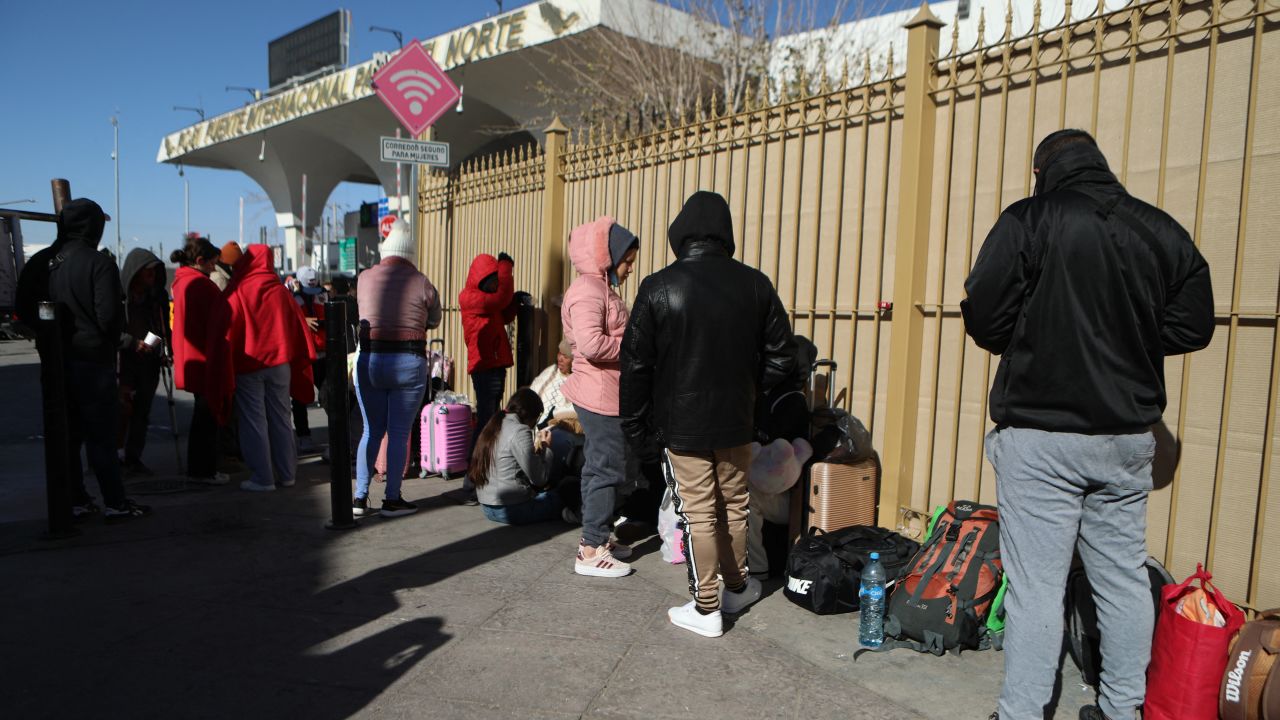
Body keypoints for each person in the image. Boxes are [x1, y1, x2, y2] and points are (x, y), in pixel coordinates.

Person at [961, 130, 1214, 720]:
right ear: (1098, 166)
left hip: (1041, 438)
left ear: (1043, 171)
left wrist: (1032, 332)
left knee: (1038, 589)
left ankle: (1023, 712)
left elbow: (985, 314)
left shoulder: (1030, 220)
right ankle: (1123, 710)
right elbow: (1193, 324)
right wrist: (1133, 335)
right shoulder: (1158, 230)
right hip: (1125, 438)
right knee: (1122, 580)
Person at [620, 191, 796, 637]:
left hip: (683, 425)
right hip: (736, 420)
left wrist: (636, 425)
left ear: (680, 231)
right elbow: (783, 356)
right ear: (726, 232)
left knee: (698, 513)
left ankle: (705, 608)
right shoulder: (755, 284)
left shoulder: (659, 286)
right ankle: (736, 586)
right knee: (735, 506)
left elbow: (636, 365)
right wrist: (750, 391)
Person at [45, 198, 152, 522]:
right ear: (94, 226)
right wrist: (124, 338)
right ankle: (115, 502)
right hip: (95, 361)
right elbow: (109, 320)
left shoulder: (53, 263)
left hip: (64, 359)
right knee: (102, 437)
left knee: (72, 436)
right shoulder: (99, 264)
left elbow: (42, 310)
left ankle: (77, 498)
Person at [561, 216, 641, 578]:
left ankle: (598, 536)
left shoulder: (599, 289)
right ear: (608, 256)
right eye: (626, 262)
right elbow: (592, 344)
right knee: (606, 468)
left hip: (605, 392)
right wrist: (634, 346)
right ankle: (592, 547)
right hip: (598, 394)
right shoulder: (587, 292)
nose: (628, 270)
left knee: (606, 467)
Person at [350, 219, 442, 518]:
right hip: (408, 362)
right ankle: (392, 499)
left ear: (384, 250)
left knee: (371, 431)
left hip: (371, 361)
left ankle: (359, 498)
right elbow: (434, 319)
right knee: (399, 433)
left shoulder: (364, 278)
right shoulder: (422, 282)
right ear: (410, 254)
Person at [15, 214, 96, 519]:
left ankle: (71, 494)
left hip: (55, 354)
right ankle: (75, 495)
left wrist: (44, 331)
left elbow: (24, 308)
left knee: (63, 429)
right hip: (82, 356)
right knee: (80, 430)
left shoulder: (42, 261)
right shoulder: (88, 261)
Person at [225, 244, 316, 491]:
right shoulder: (280, 290)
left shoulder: (240, 288)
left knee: (254, 420)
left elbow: (229, 327)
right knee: (281, 418)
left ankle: (263, 478)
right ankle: (287, 474)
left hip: (249, 364)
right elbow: (296, 325)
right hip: (280, 364)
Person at [169, 237, 233, 485]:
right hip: (207, 359)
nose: (214, 269)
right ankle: (203, 470)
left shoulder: (181, 282)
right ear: (200, 261)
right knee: (207, 419)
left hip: (190, 358)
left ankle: (198, 468)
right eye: (212, 264)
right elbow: (223, 322)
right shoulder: (203, 286)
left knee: (201, 417)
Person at [471, 388, 568, 525]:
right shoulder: (520, 431)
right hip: (511, 509)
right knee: (566, 491)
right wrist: (546, 447)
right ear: (531, 415)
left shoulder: (495, 423)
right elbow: (539, 479)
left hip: (487, 507)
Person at [117, 248, 169, 476]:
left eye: (154, 274)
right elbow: (109, 329)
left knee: (142, 412)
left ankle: (133, 457)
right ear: (136, 273)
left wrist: (151, 343)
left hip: (148, 361)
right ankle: (115, 454)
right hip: (123, 361)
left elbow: (162, 328)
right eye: (148, 273)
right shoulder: (118, 297)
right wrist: (131, 342)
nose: (153, 278)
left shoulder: (155, 299)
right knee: (122, 410)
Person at [459, 251, 515, 449]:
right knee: (487, 419)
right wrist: (506, 267)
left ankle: (484, 465)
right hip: (485, 367)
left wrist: (515, 302)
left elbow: (503, 314)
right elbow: (501, 299)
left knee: (492, 417)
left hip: (494, 364)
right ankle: (475, 467)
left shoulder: (485, 300)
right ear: (481, 280)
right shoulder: (471, 298)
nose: (496, 285)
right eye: (493, 281)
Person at [289, 265, 327, 454]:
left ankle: (337, 435)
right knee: (299, 398)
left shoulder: (324, 295)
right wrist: (303, 321)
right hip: (303, 355)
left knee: (329, 395)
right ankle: (304, 437)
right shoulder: (293, 299)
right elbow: (287, 321)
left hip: (324, 353)